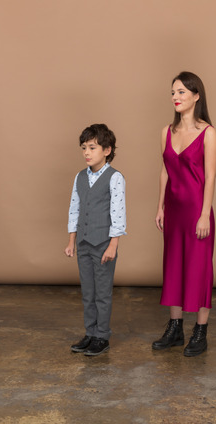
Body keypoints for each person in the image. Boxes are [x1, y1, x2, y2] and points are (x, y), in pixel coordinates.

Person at [152, 71, 216, 357]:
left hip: (196, 211)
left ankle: (200, 332)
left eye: (181, 92)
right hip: (174, 210)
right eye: (173, 92)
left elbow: (212, 176)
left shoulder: (208, 133)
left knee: (199, 269)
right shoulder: (166, 131)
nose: (175, 97)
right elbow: (166, 169)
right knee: (174, 266)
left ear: (196, 96)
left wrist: (204, 214)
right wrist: (160, 206)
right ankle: (175, 327)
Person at [64, 124, 126, 356]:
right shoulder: (80, 177)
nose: (87, 153)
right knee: (88, 292)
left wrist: (113, 244)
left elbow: (118, 213)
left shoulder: (115, 178)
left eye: (92, 147)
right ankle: (90, 333)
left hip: (103, 245)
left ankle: (102, 336)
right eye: (84, 148)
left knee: (102, 293)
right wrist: (72, 240)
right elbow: (74, 209)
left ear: (107, 150)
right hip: (83, 244)